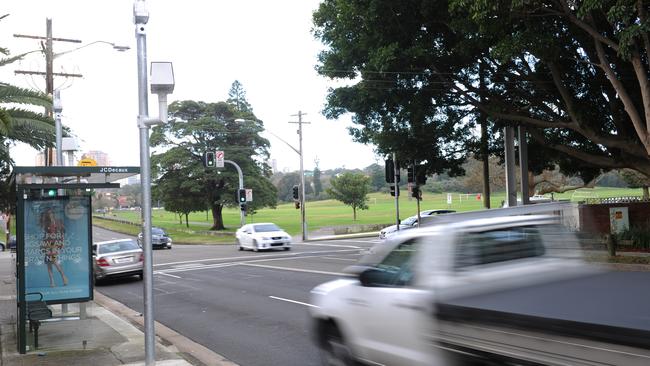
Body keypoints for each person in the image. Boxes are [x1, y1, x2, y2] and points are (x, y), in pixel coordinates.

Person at [39, 207, 68, 287]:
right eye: (48, 214)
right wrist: (43, 244)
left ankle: (63, 276)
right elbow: (45, 234)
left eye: (51, 213)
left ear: (53, 214)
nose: (50, 215)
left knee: (54, 261)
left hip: (54, 243)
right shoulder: (47, 224)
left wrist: (62, 242)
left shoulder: (58, 222)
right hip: (47, 243)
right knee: (49, 263)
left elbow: (62, 232)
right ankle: (52, 281)